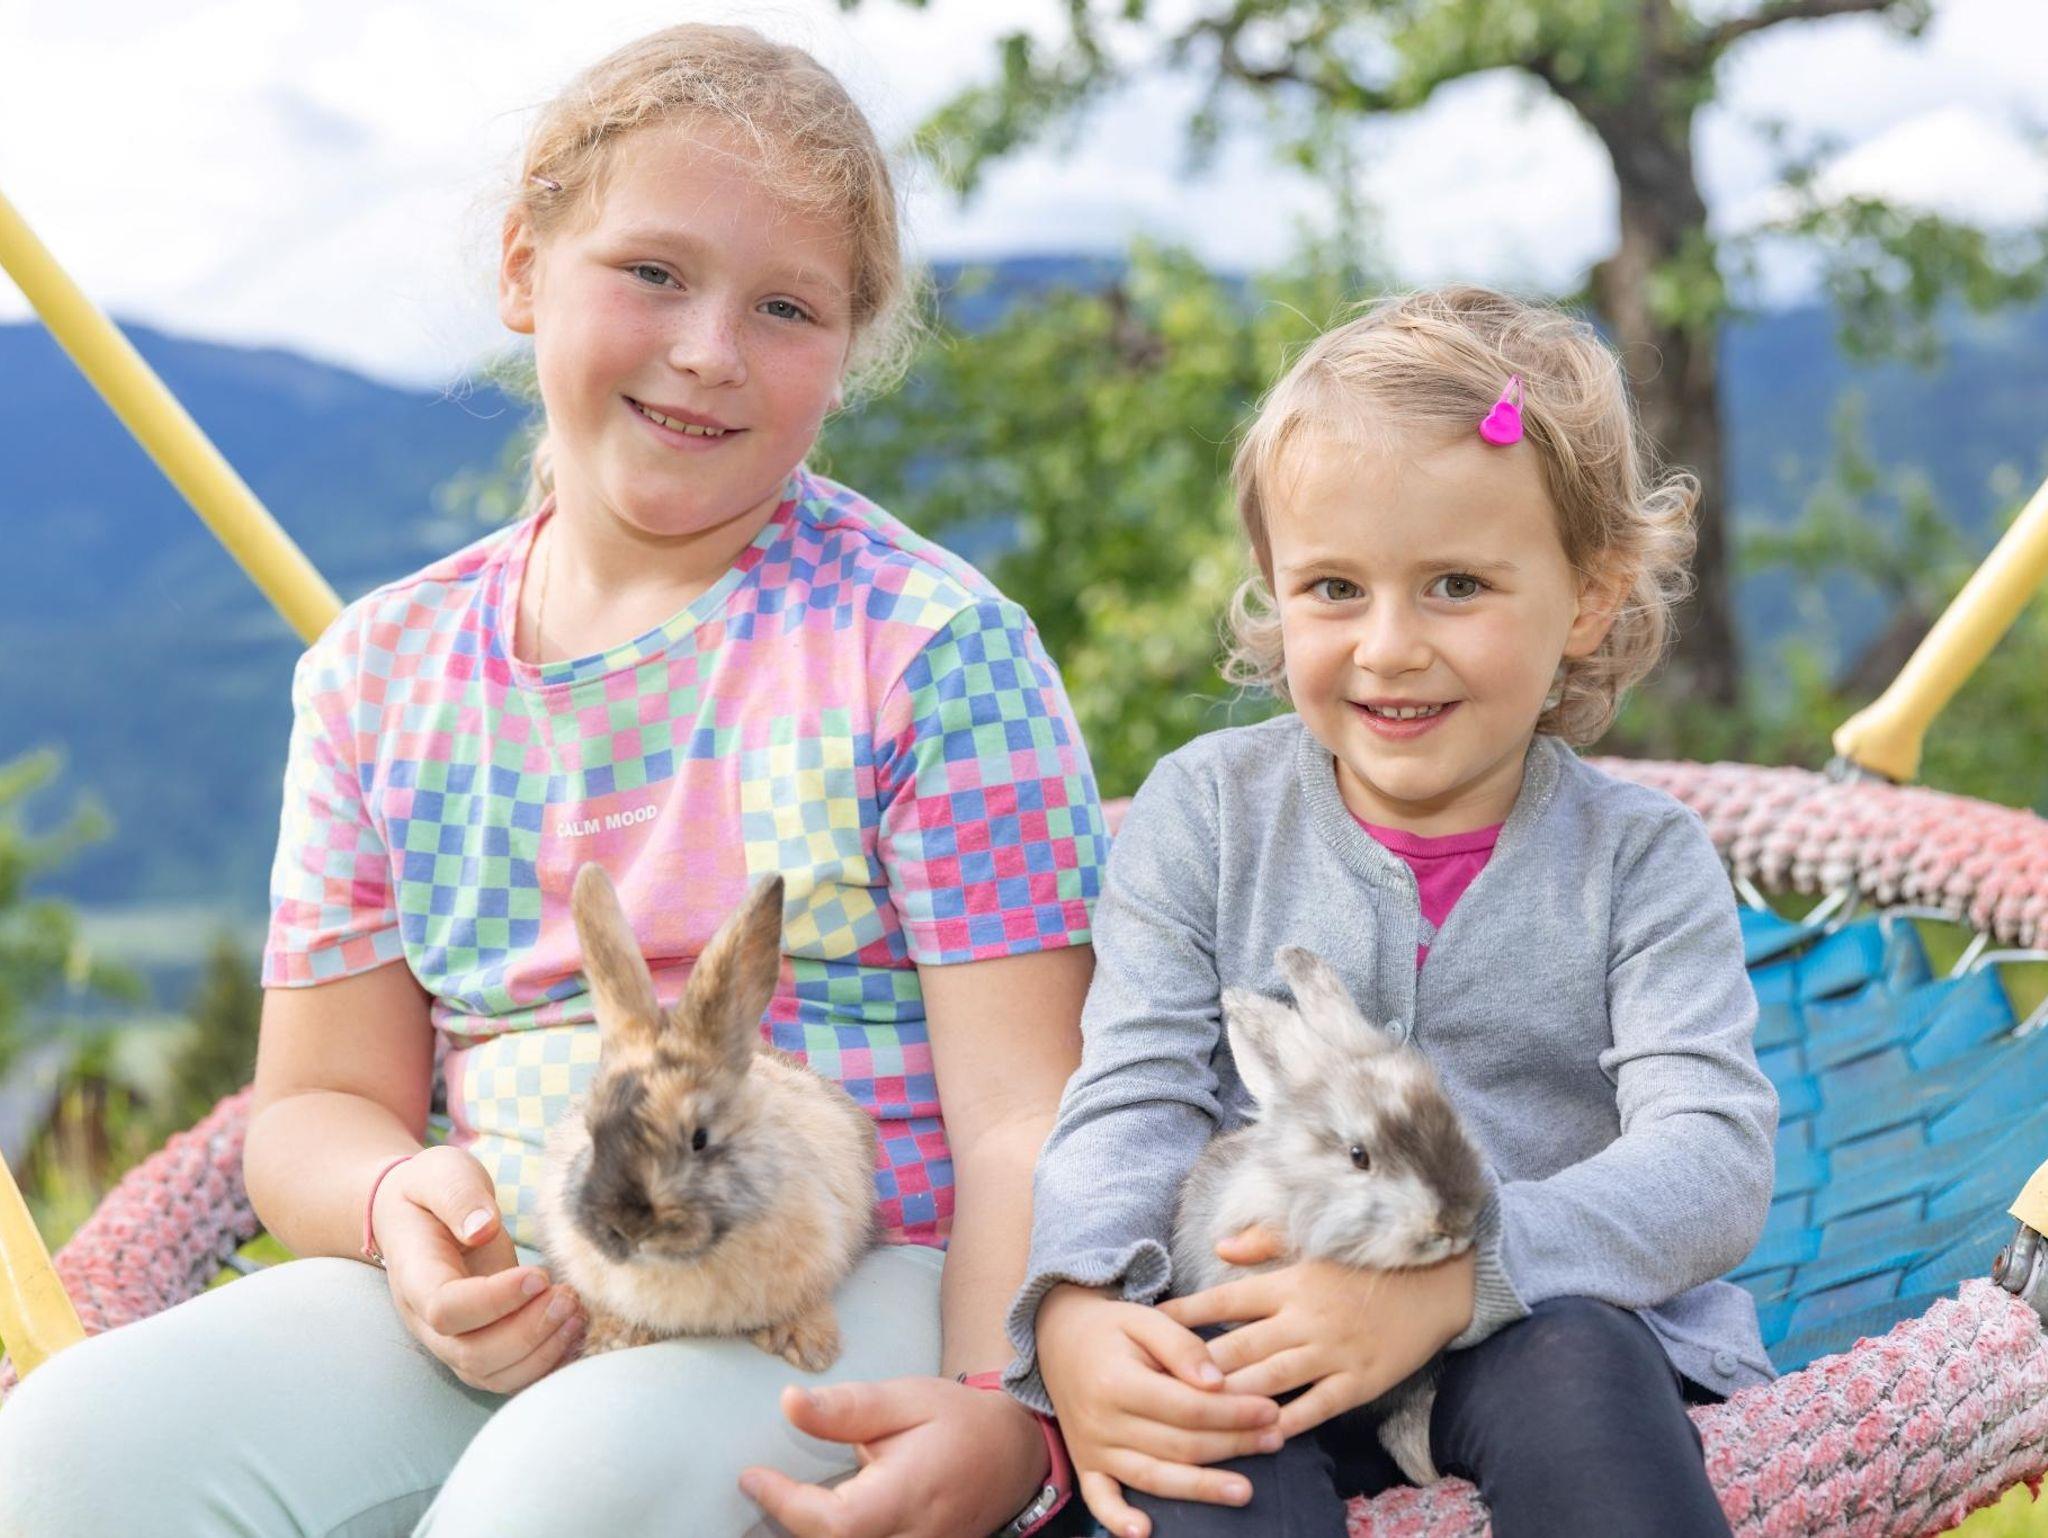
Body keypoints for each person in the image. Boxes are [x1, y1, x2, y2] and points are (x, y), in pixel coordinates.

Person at [0, 24, 1106, 1538]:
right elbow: (317, 1100)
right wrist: (395, 1204)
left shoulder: (927, 653)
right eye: (653, 271)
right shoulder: (384, 676)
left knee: (558, 1493)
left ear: (848, 349)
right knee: (73, 1447)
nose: (709, 347)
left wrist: (998, 1403)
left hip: (849, 1277)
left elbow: (1025, 1116)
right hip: (526, 1258)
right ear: (525, 265)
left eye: (786, 307)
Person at [1004, 286, 1779, 1538]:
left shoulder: (1640, 859)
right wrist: (1078, 1304)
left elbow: (1709, 1154)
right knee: (1190, 1451)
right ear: (1273, 588)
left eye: (1454, 584)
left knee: (1582, 1376)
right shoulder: (1205, 812)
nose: (1387, 646)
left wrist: (1460, 1274)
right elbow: (1129, 1098)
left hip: (1537, 1318)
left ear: (1587, 596)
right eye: (1331, 588)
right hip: (1257, 1312)